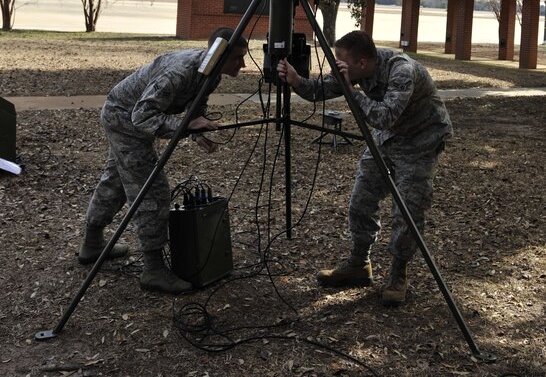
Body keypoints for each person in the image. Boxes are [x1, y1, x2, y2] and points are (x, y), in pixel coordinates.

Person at [277, 30, 452, 306]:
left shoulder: (401, 71)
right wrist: (296, 80)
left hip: (420, 141)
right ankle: (359, 264)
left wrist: (349, 90)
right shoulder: (356, 69)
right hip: (388, 138)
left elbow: (383, 116)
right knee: (361, 198)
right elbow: (323, 88)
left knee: (407, 210)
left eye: (342, 61)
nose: (337, 66)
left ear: (361, 64)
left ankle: (398, 275)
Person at [78, 27, 247, 295]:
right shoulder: (179, 72)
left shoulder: (210, 73)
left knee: (117, 180)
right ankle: (153, 270)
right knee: (151, 190)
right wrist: (186, 125)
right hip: (123, 118)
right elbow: (141, 117)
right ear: (218, 54)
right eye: (237, 58)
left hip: (131, 118)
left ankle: (92, 244)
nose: (243, 64)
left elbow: (196, 105)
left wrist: (196, 131)